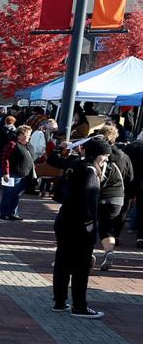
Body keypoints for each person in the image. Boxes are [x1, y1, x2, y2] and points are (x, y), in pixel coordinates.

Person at [52, 138, 109, 319]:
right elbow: (87, 200)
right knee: (80, 267)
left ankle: (60, 302)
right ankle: (79, 306)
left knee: (62, 262)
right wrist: (89, 224)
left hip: (64, 219)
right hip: (79, 226)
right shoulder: (90, 172)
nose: (106, 161)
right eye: (105, 157)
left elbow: (61, 191)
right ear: (98, 156)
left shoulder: (75, 165)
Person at [94, 125, 135, 271]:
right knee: (108, 227)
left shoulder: (98, 153)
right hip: (117, 196)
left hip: (99, 194)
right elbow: (130, 178)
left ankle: (87, 253)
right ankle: (109, 251)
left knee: (92, 223)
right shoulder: (124, 156)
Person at [0, 125, 35, 221]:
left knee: (16, 195)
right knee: (8, 194)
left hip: (24, 175)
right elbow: (5, 158)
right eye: (27, 135)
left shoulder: (27, 145)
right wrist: (6, 173)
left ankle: (13, 213)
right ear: (20, 135)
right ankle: (4, 213)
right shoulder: (12, 144)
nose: (29, 137)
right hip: (13, 174)